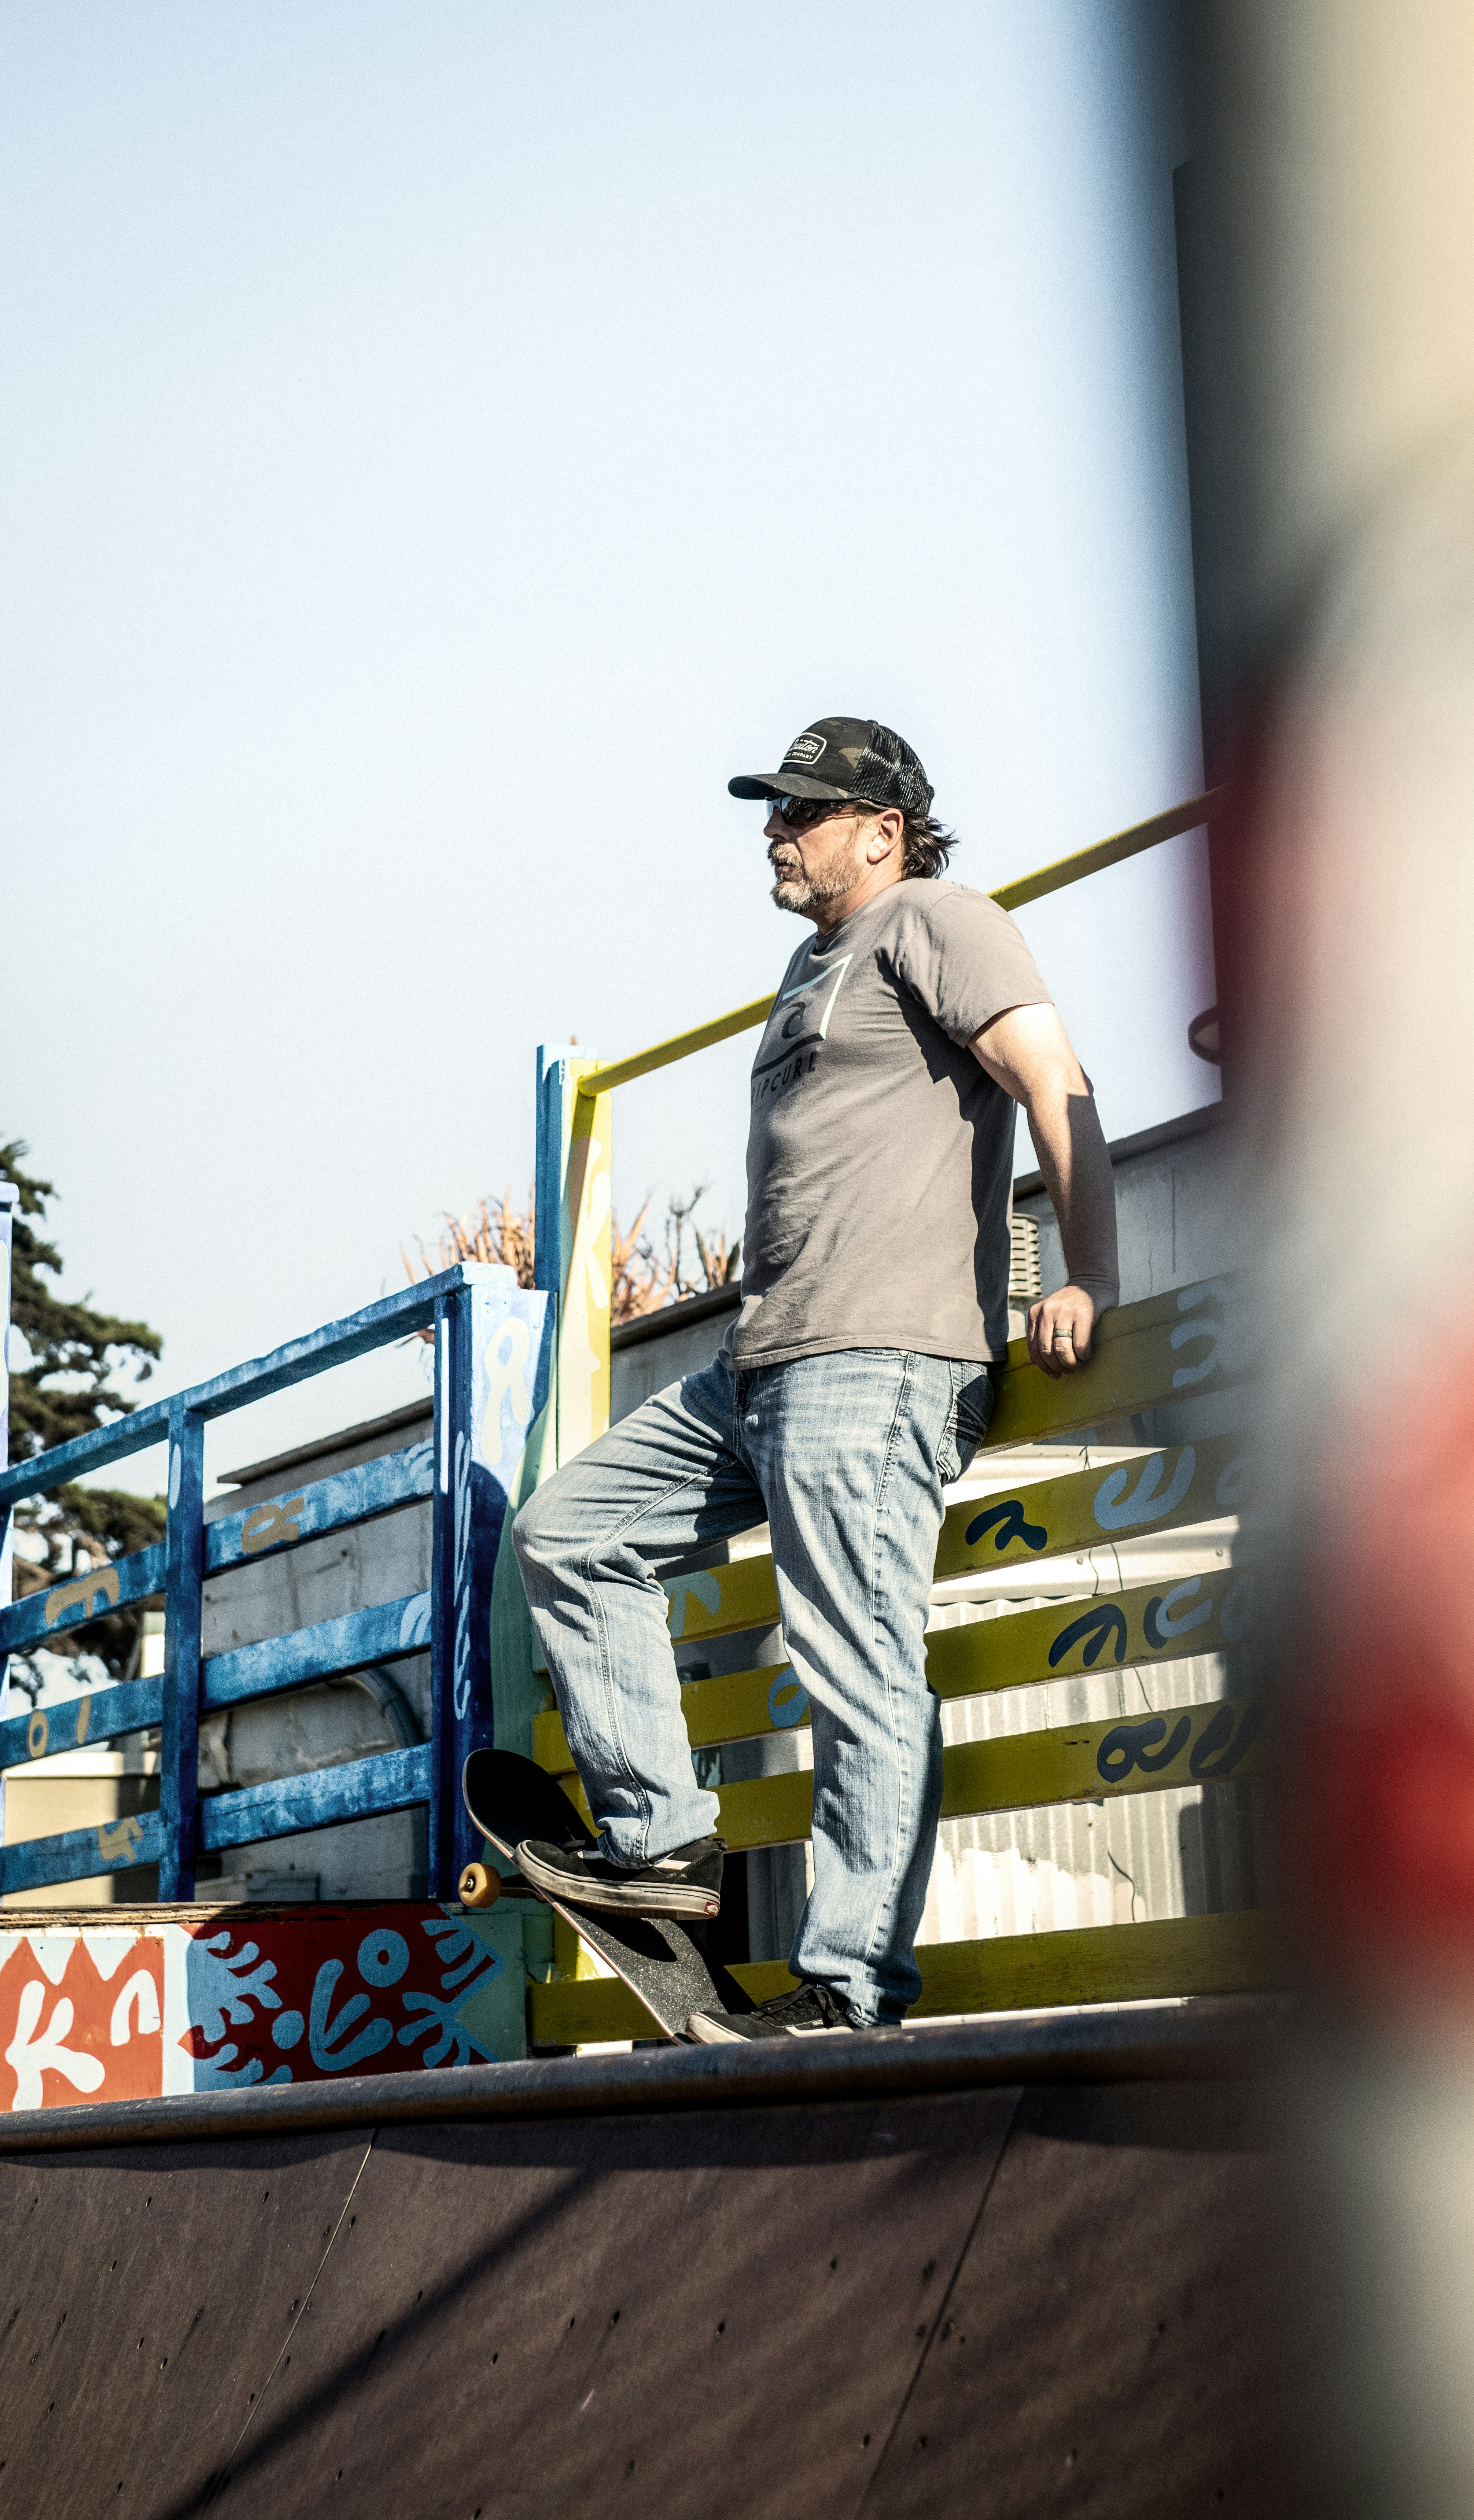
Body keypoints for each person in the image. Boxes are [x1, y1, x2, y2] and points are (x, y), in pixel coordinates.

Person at [511, 715, 1119, 2039]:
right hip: (764, 1364)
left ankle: (849, 1988)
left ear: (882, 830)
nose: (776, 833)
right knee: (567, 1530)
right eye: (773, 811)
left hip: (880, 1362)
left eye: (801, 811)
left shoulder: (940, 921)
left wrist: (1090, 1275)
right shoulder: (808, 966)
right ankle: (662, 1843)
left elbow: (1057, 1082)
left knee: (858, 1672)